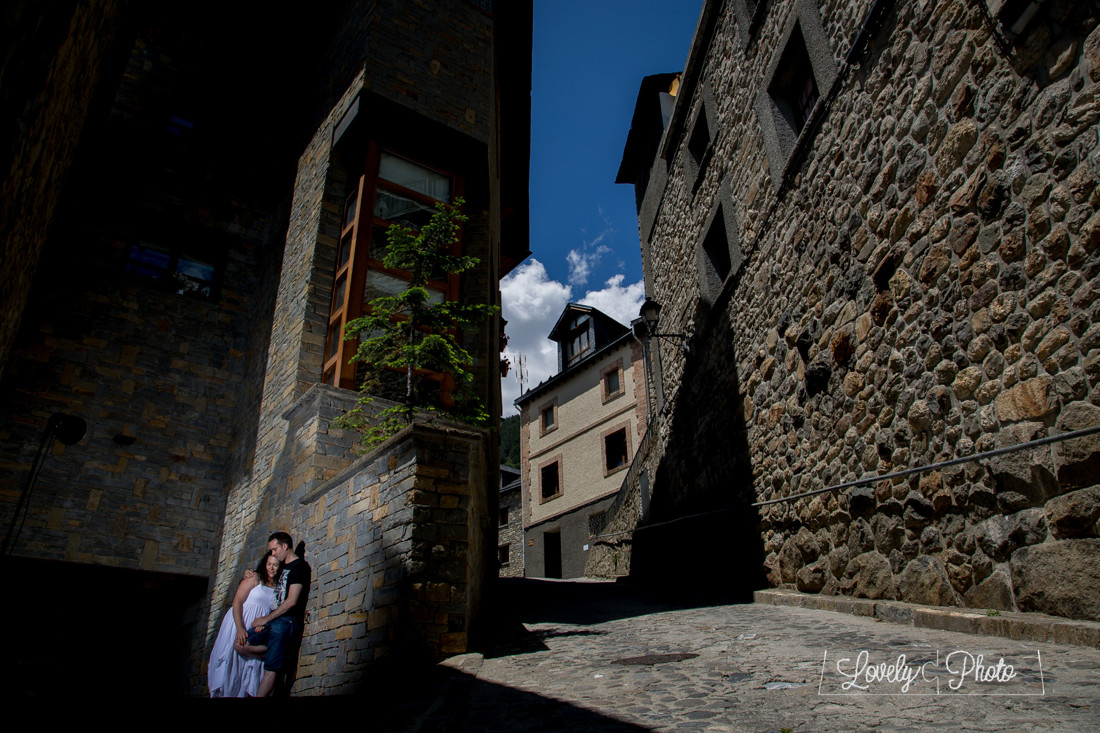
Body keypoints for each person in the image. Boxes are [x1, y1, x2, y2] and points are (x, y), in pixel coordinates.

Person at [242, 531, 311, 697]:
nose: (273, 553)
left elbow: (291, 601)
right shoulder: (283, 566)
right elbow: (268, 576)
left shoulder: (299, 567)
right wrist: (251, 573)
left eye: (274, 549)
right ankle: (280, 655)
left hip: (285, 622)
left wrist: (264, 619)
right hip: (274, 621)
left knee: (270, 668)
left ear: (285, 546)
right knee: (242, 644)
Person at [207, 551, 281, 697]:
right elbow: (237, 602)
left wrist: (265, 623)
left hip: (258, 628)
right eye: (269, 564)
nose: (271, 568)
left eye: (275, 565)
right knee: (231, 660)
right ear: (264, 565)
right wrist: (240, 628)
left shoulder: (280, 588)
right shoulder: (254, 579)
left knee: (252, 667)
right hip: (240, 621)